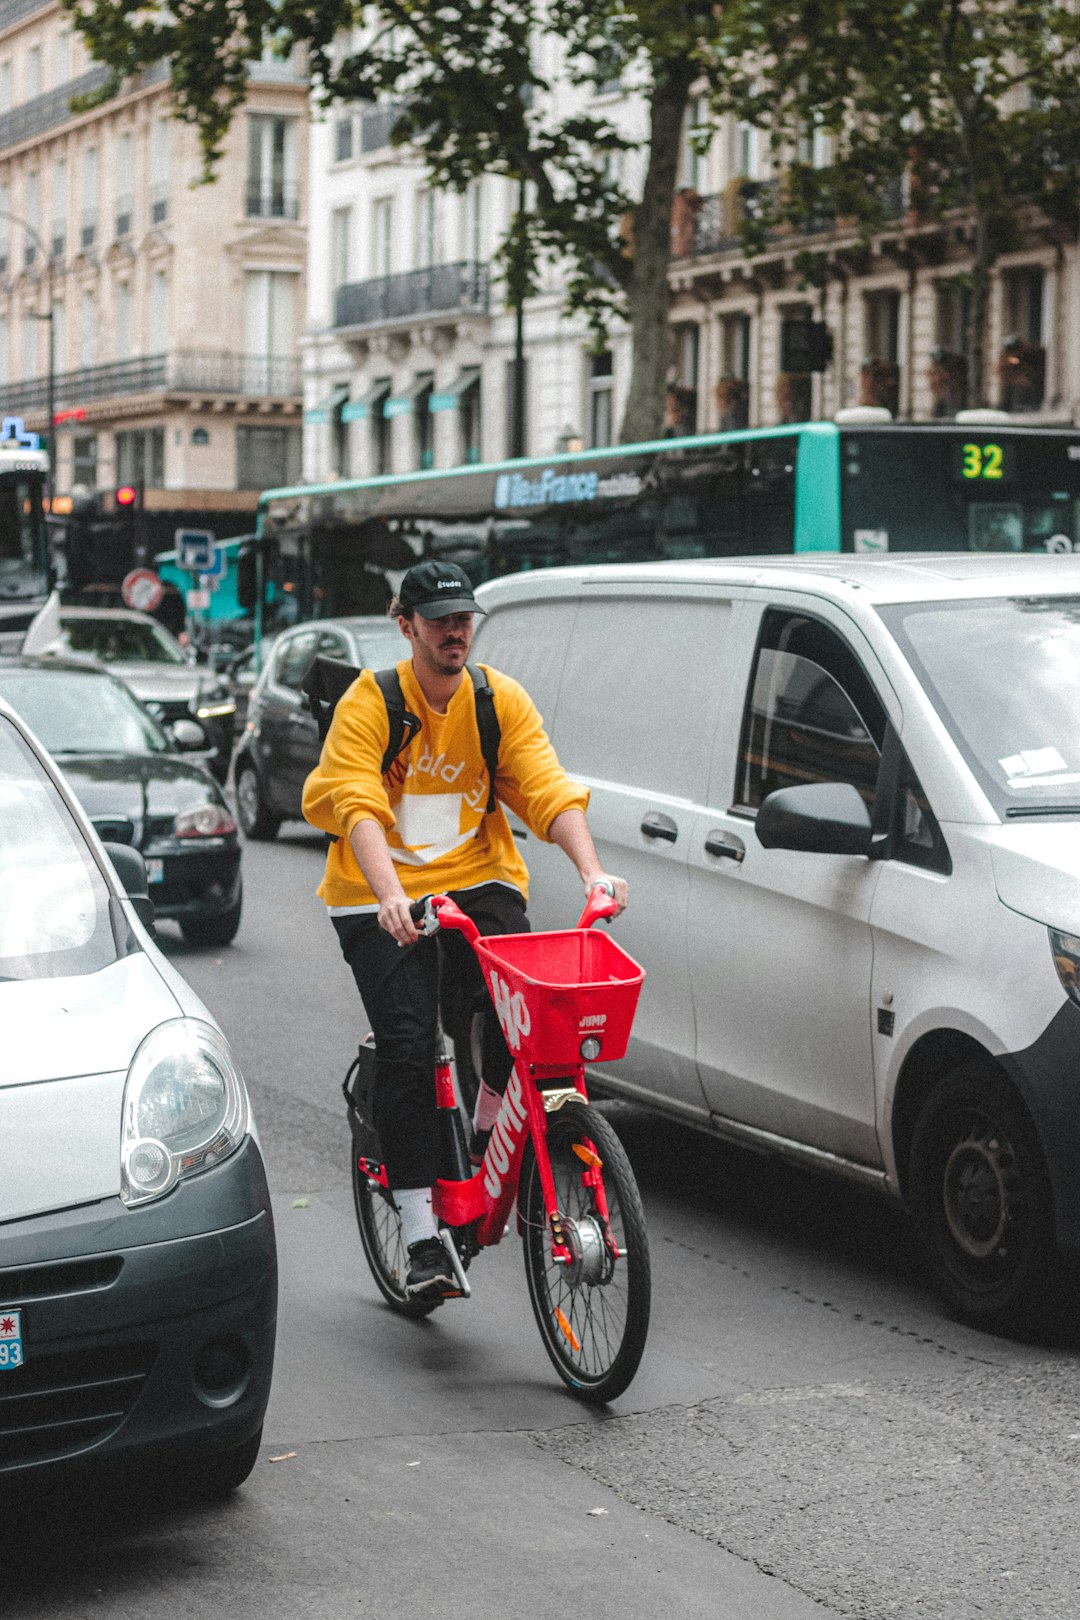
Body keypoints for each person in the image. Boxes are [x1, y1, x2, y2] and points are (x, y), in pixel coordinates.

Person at [302, 560, 627, 1300]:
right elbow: (353, 800)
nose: (455, 630)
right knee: (413, 1047)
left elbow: (546, 787)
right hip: (375, 892)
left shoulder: (495, 700)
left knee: (521, 1020)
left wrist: (592, 873)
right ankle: (420, 1231)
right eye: (439, 618)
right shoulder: (373, 701)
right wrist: (389, 897)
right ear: (405, 624)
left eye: (464, 617)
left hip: (477, 880)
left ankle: (484, 1137)